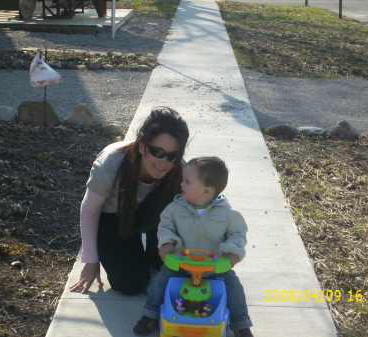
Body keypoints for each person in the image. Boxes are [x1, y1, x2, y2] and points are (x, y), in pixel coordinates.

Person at [69, 107, 189, 295]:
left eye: (172, 155)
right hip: (115, 218)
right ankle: (136, 262)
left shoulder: (180, 170)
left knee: (171, 267)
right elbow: (90, 210)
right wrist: (91, 260)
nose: (164, 162)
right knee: (129, 284)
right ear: (142, 146)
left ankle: (152, 257)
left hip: (155, 220)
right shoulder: (111, 164)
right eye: (157, 152)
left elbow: (193, 209)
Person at [133, 157, 253, 337]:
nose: (181, 184)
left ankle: (240, 323)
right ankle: (150, 315)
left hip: (214, 267)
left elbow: (238, 233)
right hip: (181, 264)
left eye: (187, 181)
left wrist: (231, 250)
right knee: (161, 280)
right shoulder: (175, 208)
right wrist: (167, 242)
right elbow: (165, 226)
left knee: (233, 284)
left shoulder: (228, 214)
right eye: (183, 179)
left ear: (206, 190)